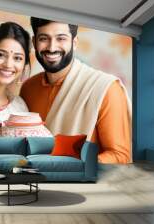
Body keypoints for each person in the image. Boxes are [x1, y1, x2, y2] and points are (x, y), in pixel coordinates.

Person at [20, 17, 132, 164]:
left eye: (61, 38)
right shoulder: (28, 88)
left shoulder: (106, 88)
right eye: (44, 38)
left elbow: (120, 156)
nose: (52, 47)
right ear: (34, 42)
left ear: (74, 42)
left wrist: (68, 167)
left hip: (82, 184)